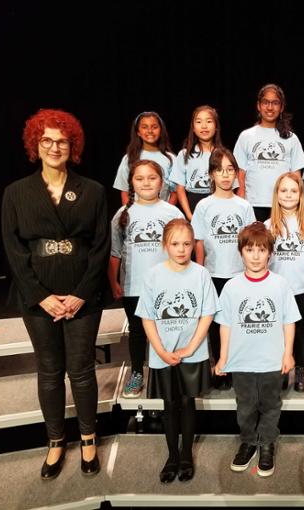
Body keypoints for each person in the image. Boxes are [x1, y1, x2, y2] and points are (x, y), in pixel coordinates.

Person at [1, 109, 110, 479]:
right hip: (37, 297)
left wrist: (81, 293)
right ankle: (55, 442)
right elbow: (13, 249)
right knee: (49, 372)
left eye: (62, 141)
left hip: (83, 294)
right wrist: (40, 295)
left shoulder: (92, 190)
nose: (54, 147)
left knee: (81, 372)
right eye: (46, 140)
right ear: (36, 144)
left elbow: (100, 247)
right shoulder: (16, 192)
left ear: (72, 145)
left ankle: (89, 438)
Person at [135, 219, 219, 483]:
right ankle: (171, 456)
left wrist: (191, 347)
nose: (181, 249)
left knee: (187, 402)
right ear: (164, 245)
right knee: (169, 405)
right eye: (175, 243)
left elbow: (207, 314)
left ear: (193, 245)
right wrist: (159, 350)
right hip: (163, 354)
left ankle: (185, 455)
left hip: (191, 353)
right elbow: (147, 317)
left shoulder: (201, 274)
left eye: (186, 244)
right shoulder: (152, 276)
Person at [214, 222, 300, 477]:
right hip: (242, 362)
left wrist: (288, 353)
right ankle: (249, 441)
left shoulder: (280, 285)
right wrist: (223, 357)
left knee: (271, 404)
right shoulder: (231, 287)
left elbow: (289, 322)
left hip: (272, 361)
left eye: (261, 250)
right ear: (241, 252)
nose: (255, 256)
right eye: (250, 250)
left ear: (270, 254)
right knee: (246, 406)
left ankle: (267, 443)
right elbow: (226, 326)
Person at [108, 160, 184, 398]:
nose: (146, 183)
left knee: (168, 329)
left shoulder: (172, 212)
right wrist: (114, 282)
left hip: (167, 285)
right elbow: (115, 252)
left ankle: (169, 371)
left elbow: (183, 249)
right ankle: (137, 373)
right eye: (140, 179)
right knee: (138, 331)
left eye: (152, 178)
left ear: (161, 182)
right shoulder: (123, 214)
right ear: (131, 183)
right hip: (135, 287)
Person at [191, 147, 256, 389]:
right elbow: (198, 242)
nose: (226, 175)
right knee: (218, 324)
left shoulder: (243, 206)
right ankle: (220, 367)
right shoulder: (204, 206)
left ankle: (240, 367)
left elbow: (251, 243)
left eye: (230, 170)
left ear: (237, 173)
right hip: (214, 274)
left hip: (240, 275)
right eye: (220, 170)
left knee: (239, 322)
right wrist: (200, 273)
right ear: (211, 175)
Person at [265, 173, 304, 392]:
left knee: (300, 331)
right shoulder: (268, 224)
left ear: (301, 195)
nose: (288, 195)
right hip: (277, 291)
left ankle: (299, 368)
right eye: (284, 191)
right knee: (278, 331)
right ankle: (281, 367)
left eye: (293, 191)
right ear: (276, 194)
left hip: (302, 289)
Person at [233, 83, 304, 220]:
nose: (270, 107)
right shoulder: (246, 136)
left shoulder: (291, 138)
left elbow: (296, 176)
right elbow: (240, 173)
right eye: (265, 102)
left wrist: (298, 204)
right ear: (258, 105)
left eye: (275, 103)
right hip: (253, 203)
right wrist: (241, 202)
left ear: (282, 107)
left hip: (283, 204)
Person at [169, 105, 226, 220]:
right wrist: (189, 215)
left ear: (216, 127)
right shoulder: (184, 155)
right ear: (193, 128)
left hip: (218, 205)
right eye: (199, 122)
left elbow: (230, 186)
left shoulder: (223, 155)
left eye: (209, 121)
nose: (204, 126)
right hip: (192, 205)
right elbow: (180, 188)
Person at [113, 111, 176, 205]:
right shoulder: (129, 158)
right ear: (138, 132)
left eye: (154, 127)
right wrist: (130, 213)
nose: (150, 131)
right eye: (144, 127)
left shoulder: (171, 159)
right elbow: (124, 191)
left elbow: (175, 192)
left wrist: (166, 212)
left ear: (160, 130)